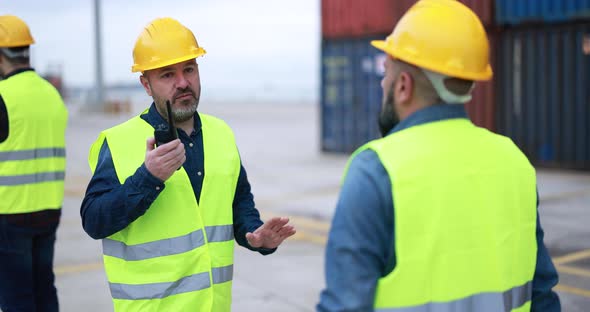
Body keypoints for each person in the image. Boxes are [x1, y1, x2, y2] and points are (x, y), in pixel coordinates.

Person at [317, 0, 561, 311]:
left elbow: (345, 305)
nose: (382, 83)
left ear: (403, 86)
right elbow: (541, 295)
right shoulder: (514, 162)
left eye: (386, 72)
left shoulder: (378, 170)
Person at [80, 17, 296, 311]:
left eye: (189, 69)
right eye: (167, 75)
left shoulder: (221, 133)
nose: (183, 82)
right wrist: (148, 177)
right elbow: (94, 221)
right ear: (146, 84)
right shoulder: (118, 143)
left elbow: (239, 203)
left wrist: (256, 236)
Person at [0, 15, 68, 312]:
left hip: (10, 213)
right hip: (48, 210)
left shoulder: (3, 96)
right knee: (43, 289)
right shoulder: (51, 94)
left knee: (16, 297)